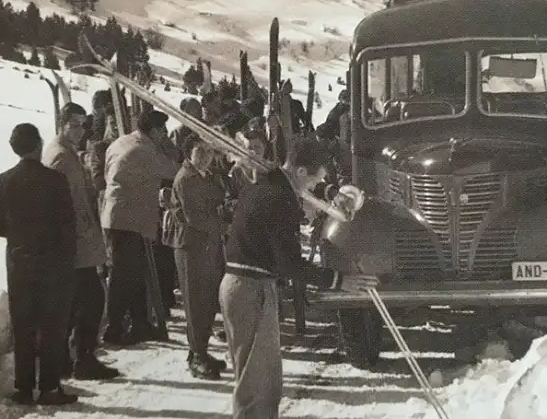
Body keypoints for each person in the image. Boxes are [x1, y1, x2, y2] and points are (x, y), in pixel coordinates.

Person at [219, 137, 380, 419]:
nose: (311, 189)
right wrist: (337, 280)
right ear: (301, 172)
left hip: (242, 285)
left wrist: (329, 193)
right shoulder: (279, 198)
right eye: (312, 181)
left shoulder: (268, 184)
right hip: (251, 289)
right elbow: (288, 265)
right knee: (258, 385)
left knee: (261, 379)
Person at [0, 124, 78, 405]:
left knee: (22, 326)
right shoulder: (56, 181)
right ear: (38, 145)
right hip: (53, 265)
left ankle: (23, 388)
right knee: (51, 327)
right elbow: (67, 228)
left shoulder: (1, 182)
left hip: (19, 264)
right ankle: (49, 388)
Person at [41, 103, 118, 381]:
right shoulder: (61, 157)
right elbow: (64, 202)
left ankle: (67, 358)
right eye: (74, 125)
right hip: (75, 242)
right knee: (91, 300)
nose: (80, 131)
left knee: (76, 303)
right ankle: (83, 358)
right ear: (62, 125)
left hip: (75, 241)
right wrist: (83, 229)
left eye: (83, 125)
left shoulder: (66, 152)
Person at [101, 109, 180, 346]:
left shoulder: (121, 142)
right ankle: (114, 328)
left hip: (116, 216)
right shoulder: (145, 150)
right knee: (123, 276)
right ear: (154, 131)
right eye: (162, 131)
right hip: (129, 219)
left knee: (134, 274)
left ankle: (140, 324)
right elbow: (174, 172)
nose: (165, 135)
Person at [164, 137, 229, 379]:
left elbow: (219, 197)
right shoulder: (186, 178)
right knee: (195, 302)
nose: (206, 156)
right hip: (191, 246)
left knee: (208, 300)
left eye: (210, 151)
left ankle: (200, 351)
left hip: (208, 244)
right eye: (200, 151)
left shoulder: (208, 174)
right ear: (188, 152)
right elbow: (195, 218)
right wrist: (227, 227)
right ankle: (196, 355)